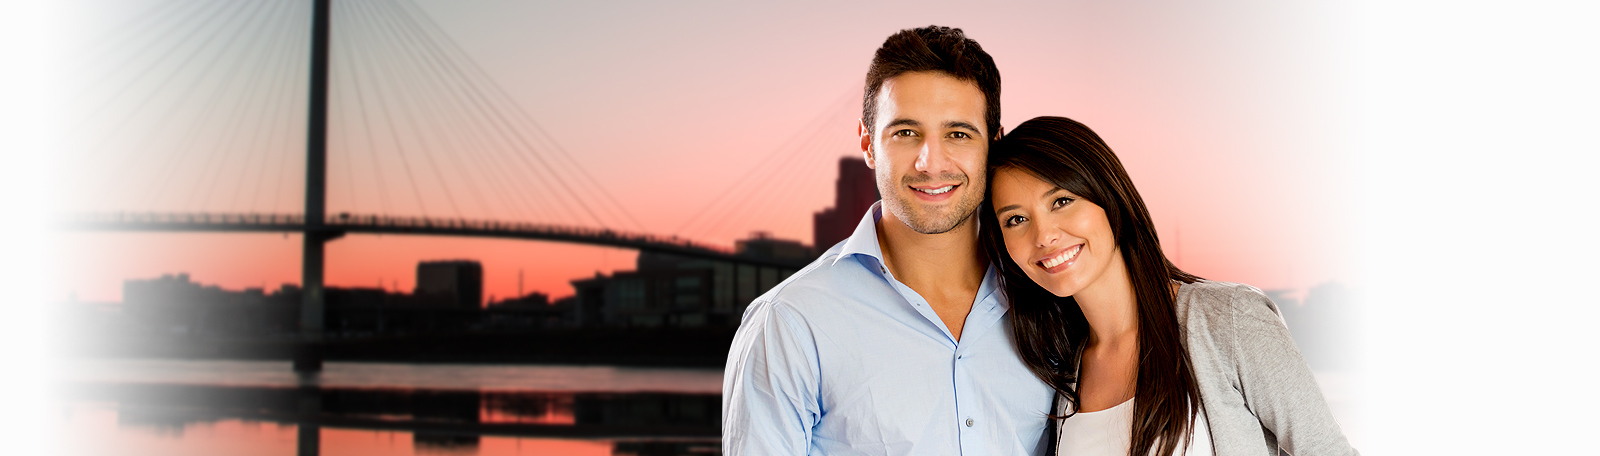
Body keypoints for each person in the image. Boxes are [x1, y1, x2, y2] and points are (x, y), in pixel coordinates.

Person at [723, 26, 1054, 455]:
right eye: (905, 133)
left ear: (993, 143)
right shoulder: (790, 323)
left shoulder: (1046, 297)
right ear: (866, 142)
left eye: (958, 134)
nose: (931, 163)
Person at [979, 116, 1358, 455]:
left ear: (1110, 199)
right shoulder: (1062, 369)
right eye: (1015, 220)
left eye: (1062, 201)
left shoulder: (1226, 319)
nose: (1043, 235)